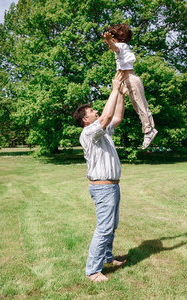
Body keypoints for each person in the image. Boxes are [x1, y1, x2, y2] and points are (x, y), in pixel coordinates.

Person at [73, 71, 126, 283]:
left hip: (112, 187)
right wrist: (113, 89)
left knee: (111, 225)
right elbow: (105, 118)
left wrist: (120, 93)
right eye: (92, 111)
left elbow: (117, 117)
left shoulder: (101, 132)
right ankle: (92, 271)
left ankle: (108, 257)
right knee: (104, 228)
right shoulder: (88, 133)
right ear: (86, 119)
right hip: (103, 188)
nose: (96, 112)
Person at [102, 23, 158, 150]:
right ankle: (149, 129)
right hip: (125, 81)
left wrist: (109, 41)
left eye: (110, 41)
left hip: (131, 79)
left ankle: (149, 131)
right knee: (136, 106)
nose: (107, 44)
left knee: (141, 105)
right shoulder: (122, 46)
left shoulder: (120, 46)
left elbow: (114, 47)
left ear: (115, 39)